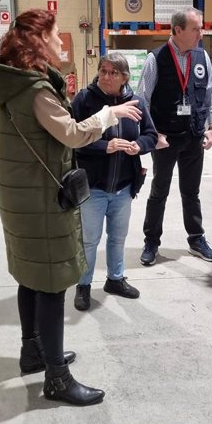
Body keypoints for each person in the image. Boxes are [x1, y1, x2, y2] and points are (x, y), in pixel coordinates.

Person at [0, 9, 143, 406]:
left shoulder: (12, 84)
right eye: (56, 36)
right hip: (40, 201)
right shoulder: (36, 90)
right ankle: (56, 378)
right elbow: (72, 135)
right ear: (37, 42)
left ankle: (34, 352)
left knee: (30, 277)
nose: (62, 43)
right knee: (54, 284)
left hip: (22, 198)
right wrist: (108, 115)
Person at [72, 53, 158, 311]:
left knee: (118, 237)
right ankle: (83, 285)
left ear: (124, 77)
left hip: (123, 187)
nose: (107, 77)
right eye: (103, 71)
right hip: (93, 187)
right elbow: (73, 143)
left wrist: (138, 145)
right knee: (89, 240)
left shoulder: (136, 102)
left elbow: (151, 136)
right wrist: (104, 147)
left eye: (113, 73)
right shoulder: (84, 100)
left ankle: (115, 279)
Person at [137, 7, 212, 266]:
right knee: (159, 191)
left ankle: (196, 239)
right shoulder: (156, 58)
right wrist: (153, 134)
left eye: (201, 27)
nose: (201, 33)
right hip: (166, 138)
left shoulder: (202, 56)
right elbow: (142, 101)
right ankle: (151, 242)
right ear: (177, 30)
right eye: (196, 29)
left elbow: (209, 93)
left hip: (194, 136)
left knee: (191, 192)